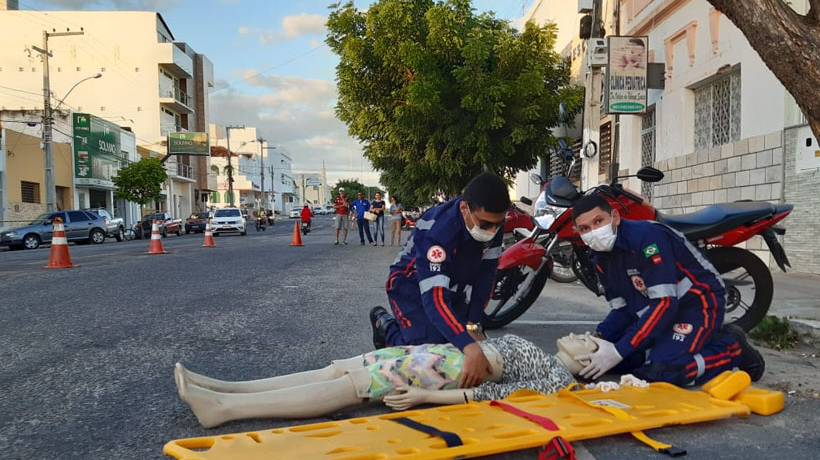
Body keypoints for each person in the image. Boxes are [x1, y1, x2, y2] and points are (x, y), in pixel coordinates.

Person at [173, 332, 596, 428]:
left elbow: (492, 395)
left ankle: (224, 408)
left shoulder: (555, 379)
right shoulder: (547, 359)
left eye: (588, 340)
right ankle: (226, 389)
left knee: (352, 386)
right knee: (339, 369)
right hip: (443, 355)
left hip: (444, 372)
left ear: (586, 362)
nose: (581, 334)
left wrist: (422, 397)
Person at [570, 194, 765, 387]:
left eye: (598, 221)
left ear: (615, 217)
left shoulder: (646, 237)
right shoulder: (600, 259)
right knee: (615, 363)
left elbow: (665, 303)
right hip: (659, 309)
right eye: (585, 228)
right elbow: (622, 309)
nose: (594, 231)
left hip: (698, 302)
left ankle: (733, 348)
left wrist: (618, 351)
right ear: (577, 232)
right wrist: (600, 337)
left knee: (663, 373)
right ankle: (678, 345)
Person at [370, 172, 509, 390]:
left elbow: (486, 276)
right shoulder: (437, 232)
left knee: (456, 350)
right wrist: (469, 346)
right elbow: (434, 297)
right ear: (464, 208)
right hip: (412, 286)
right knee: (426, 357)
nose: (492, 231)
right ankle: (386, 327)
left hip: (452, 289)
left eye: (498, 224)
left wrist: (473, 324)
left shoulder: (491, 222)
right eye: (485, 225)